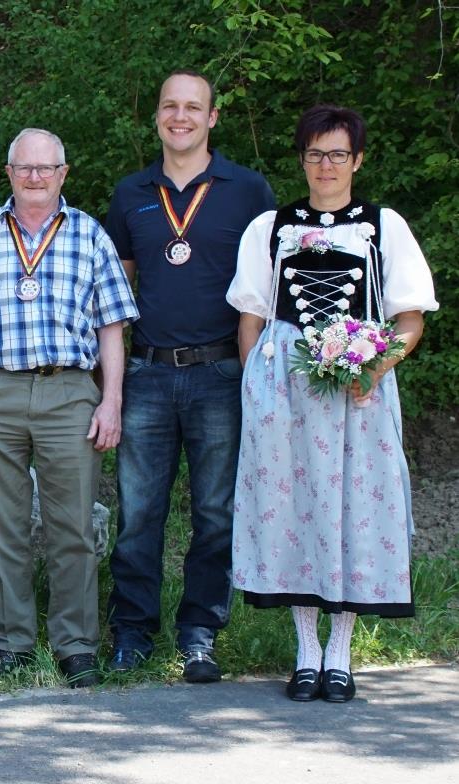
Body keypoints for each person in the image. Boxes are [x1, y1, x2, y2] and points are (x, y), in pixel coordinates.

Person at [227, 104, 437, 703]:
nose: (326, 165)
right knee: (293, 508)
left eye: (338, 154)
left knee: (352, 507)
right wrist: (257, 390)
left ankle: (340, 653)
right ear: (302, 159)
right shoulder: (270, 227)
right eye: (315, 153)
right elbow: (251, 317)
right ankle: (306, 652)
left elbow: (410, 319)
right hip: (284, 391)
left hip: (357, 393)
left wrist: (375, 367)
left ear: (357, 160)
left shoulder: (383, 225)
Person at [0, 128, 138, 686]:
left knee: (71, 526)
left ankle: (76, 645)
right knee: (1, 527)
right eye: (23, 167)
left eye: (45, 168)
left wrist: (111, 401)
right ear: (8, 173)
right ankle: (12, 644)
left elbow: (112, 326)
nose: (34, 177)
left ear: (62, 174)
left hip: (68, 392)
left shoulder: (90, 235)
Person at [104, 70, 275, 682]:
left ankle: (200, 633)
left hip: (221, 374)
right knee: (138, 513)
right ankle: (132, 631)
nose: (181, 117)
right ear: (156, 116)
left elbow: (268, 290)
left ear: (212, 117)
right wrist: (109, 383)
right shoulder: (130, 193)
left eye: (193, 107)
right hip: (148, 373)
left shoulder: (248, 191)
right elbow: (115, 292)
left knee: (216, 513)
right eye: (170, 106)